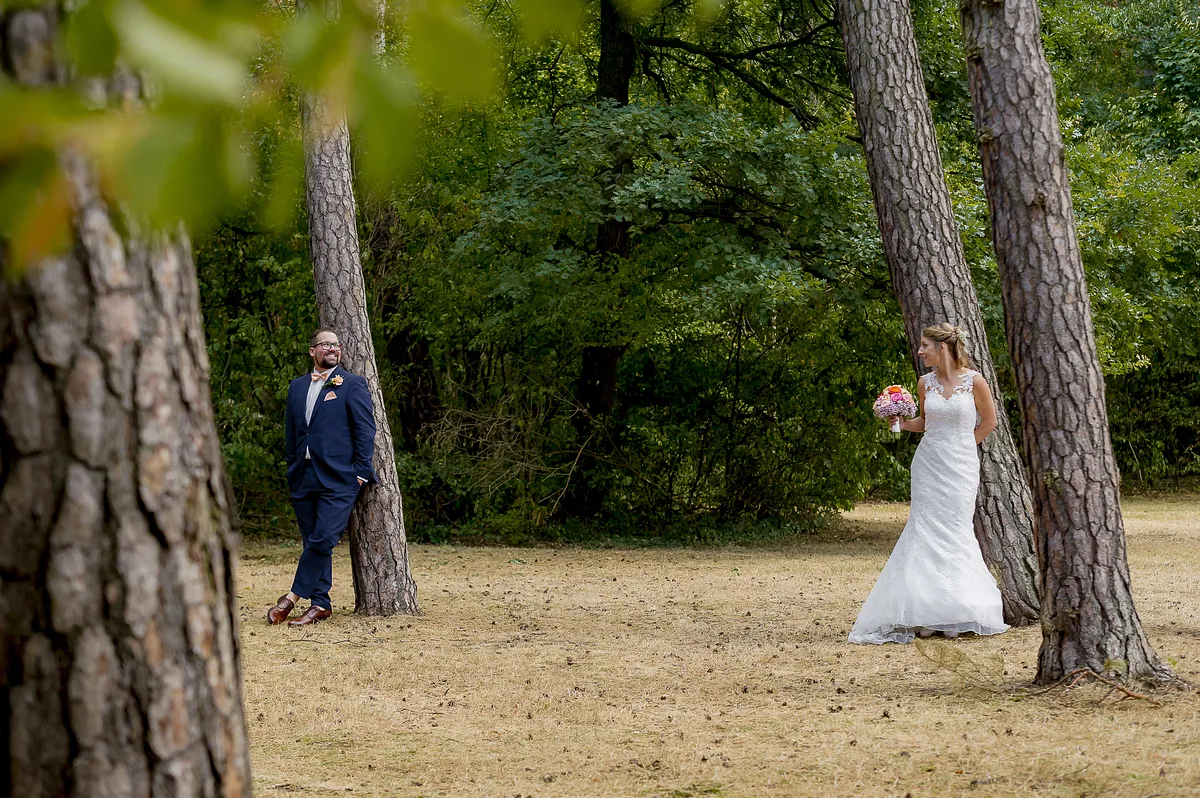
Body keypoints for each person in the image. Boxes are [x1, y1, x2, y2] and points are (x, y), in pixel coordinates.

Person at [849, 323, 1008, 644]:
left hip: (961, 466)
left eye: (925, 345)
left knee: (956, 530)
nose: (920, 351)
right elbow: (926, 421)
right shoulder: (925, 383)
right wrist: (902, 423)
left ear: (942, 348)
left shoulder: (975, 381)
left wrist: (964, 447)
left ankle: (957, 610)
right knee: (924, 531)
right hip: (928, 464)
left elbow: (990, 421)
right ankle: (924, 611)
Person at [267, 327, 377, 626]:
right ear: (312, 351)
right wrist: (292, 466)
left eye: (336, 345)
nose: (332, 349)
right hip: (303, 475)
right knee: (312, 541)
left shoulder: (352, 384)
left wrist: (360, 473)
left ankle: (291, 598)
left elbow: (365, 430)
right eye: (325, 344)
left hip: (340, 478)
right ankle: (321, 604)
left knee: (323, 538)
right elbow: (292, 432)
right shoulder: (297, 387)